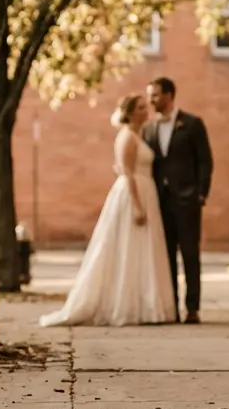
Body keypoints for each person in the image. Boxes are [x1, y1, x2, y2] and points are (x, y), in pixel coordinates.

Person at [38, 94, 177, 327]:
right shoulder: (127, 138)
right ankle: (124, 305)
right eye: (141, 107)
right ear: (131, 112)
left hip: (146, 191)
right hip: (133, 195)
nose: (147, 110)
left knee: (142, 250)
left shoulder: (139, 136)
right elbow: (127, 173)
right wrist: (137, 206)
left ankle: (147, 305)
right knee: (127, 248)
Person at [143, 77, 213, 324]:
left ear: (170, 95)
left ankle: (192, 307)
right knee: (166, 256)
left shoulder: (192, 124)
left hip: (187, 200)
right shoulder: (147, 129)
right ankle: (170, 306)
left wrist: (201, 193)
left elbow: (205, 161)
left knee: (190, 254)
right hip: (159, 202)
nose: (151, 100)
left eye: (155, 95)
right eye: (150, 95)